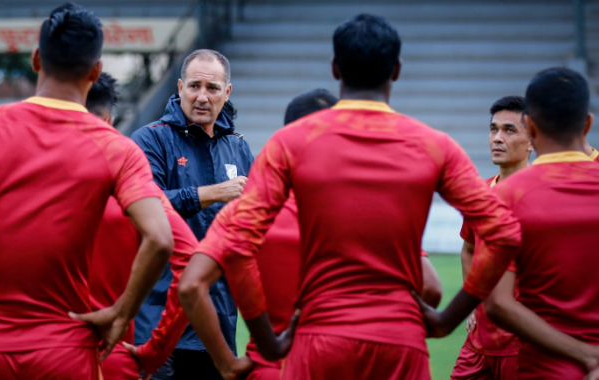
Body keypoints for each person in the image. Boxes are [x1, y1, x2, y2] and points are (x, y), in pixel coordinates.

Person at [178, 14, 521, 380]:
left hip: (318, 340)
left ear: (336, 69)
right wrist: (446, 320)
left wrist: (269, 342)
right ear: (397, 71)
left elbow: (237, 246)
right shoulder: (434, 146)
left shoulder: (291, 143)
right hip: (399, 343)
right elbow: (503, 232)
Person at [0, 4, 174, 379]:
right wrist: (121, 312)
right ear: (96, 71)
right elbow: (160, 238)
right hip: (65, 350)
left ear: (36, 59)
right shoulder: (117, 148)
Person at [177, 88, 445, 380]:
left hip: (273, 367)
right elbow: (430, 288)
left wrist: (226, 363)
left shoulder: (247, 213)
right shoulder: (377, 203)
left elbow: (191, 287)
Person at [131, 49, 254, 380]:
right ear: (180, 87)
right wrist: (214, 193)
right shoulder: (150, 139)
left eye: (212, 88)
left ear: (226, 93)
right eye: (194, 86)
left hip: (218, 323)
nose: (202, 96)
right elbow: (142, 207)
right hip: (158, 320)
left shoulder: (239, 147)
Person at [480, 68, 599, 379]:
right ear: (587, 124)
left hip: (543, 369)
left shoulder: (502, 196)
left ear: (529, 127)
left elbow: (498, 304)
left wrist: (585, 356)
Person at [85, 73, 199, 380]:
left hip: (32, 351)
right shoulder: (129, 173)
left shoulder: (21, 165)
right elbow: (188, 259)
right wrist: (155, 350)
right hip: (110, 354)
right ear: (108, 119)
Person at [451, 96, 532, 380]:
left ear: (533, 140)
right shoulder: (479, 194)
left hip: (525, 342)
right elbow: (469, 250)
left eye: (509, 130)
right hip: (479, 340)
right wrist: (473, 301)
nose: (497, 138)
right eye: (493, 129)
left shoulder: (545, 195)